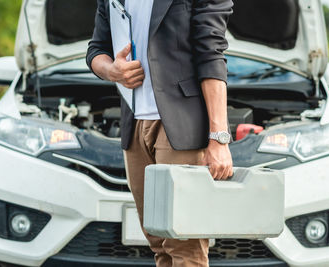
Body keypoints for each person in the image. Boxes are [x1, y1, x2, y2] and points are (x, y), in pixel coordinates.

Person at [86, 0, 234, 266]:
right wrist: (112, 70)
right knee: (158, 243)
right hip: (134, 126)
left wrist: (219, 137)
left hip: (181, 127)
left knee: (184, 245)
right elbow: (97, 48)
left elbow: (211, 53)